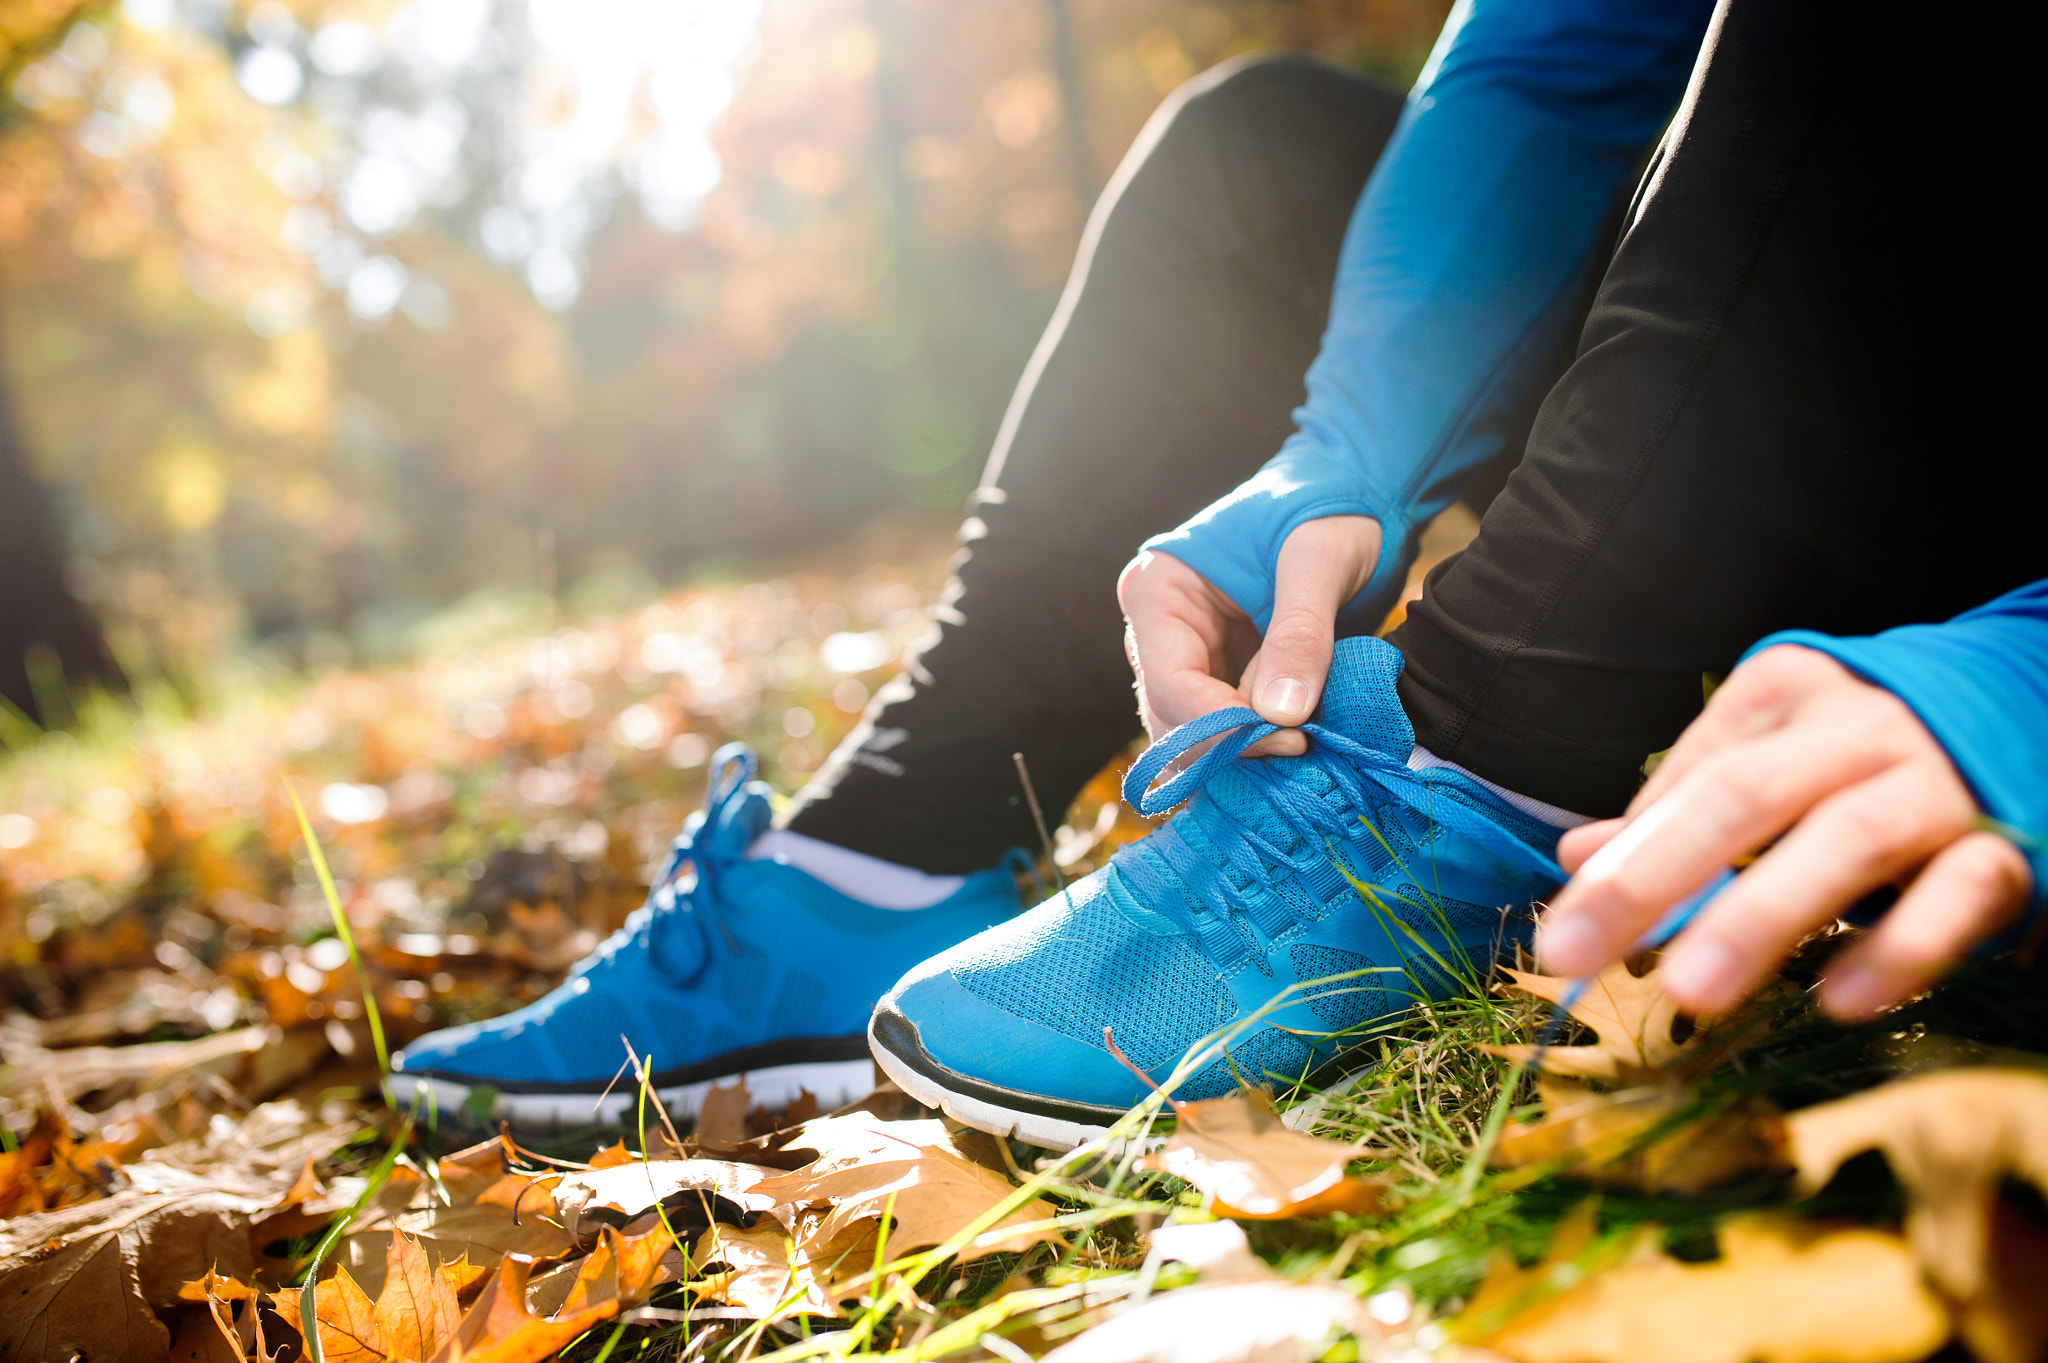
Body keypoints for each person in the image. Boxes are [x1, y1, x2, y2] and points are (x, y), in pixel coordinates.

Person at [390, 0, 2048, 1143]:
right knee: (1260, 152)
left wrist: (2016, 688)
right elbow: (1557, 65)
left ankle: (1490, 763)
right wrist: (1352, 456)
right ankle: (871, 871)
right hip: (1796, 322)